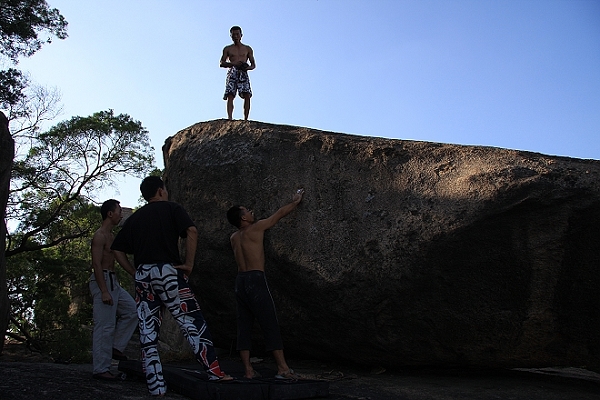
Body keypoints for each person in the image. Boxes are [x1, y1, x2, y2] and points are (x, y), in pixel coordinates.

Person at [111, 176, 232, 396]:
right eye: (165, 189)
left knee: (148, 330)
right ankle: (214, 372)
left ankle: (156, 386)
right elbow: (192, 231)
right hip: (168, 270)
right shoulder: (172, 208)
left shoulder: (135, 218)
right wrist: (189, 264)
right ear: (160, 191)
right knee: (191, 321)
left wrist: (133, 271)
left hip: (144, 275)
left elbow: (117, 248)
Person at [226, 189, 304, 380]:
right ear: (243, 218)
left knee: (244, 324)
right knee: (269, 322)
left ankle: (248, 370)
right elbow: (278, 215)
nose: (251, 211)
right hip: (255, 279)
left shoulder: (234, 238)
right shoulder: (257, 227)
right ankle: (283, 368)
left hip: (240, 281)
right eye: (247, 210)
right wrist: (295, 202)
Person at [90, 199, 138, 381]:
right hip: (102, 280)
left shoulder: (112, 237)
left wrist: (133, 273)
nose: (121, 215)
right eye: (119, 211)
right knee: (105, 325)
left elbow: (120, 258)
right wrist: (103, 290)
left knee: (132, 311)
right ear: (110, 214)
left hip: (113, 281)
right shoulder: (100, 236)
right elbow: (96, 264)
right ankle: (101, 369)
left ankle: (115, 347)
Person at [220, 25, 256, 121]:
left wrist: (247, 67)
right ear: (231, 36)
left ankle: (246, 119)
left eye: (237, 34)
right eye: (233, 35)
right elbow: (222, 63)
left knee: (247, 94)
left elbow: (253, 65)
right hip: (232, 71)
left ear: (241, 35)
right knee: (230, 94)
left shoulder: (247, 48)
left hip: (243, 72)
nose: (235, 36)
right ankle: (230, 118)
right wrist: (233, 64)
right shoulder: (227, 49)